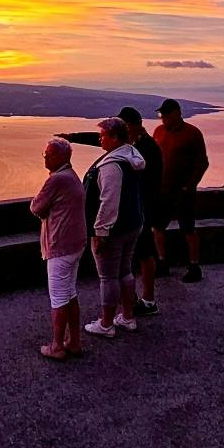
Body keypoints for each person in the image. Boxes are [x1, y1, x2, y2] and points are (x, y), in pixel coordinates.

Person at [81, 117, 145, 339]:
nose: (99, 139)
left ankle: (106, 323)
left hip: (114, 230)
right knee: (125, 271)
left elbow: (108, 200)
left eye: (103, 135)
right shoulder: (131, 156)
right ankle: (127, 317)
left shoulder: (112, 165)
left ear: (115, 137)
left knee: (108, 277)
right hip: (133, 223)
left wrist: (100, 232)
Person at [29, 137, 87, 360]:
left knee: (59, 297)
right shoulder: (71, 176)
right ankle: (74, 342)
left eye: (49, 154)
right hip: (75, 244)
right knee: (70, 293)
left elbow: (36, 207)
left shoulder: (56, 180)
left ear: (62, 156)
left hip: (60, 246)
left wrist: (43, 210)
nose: (45, 157)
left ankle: (57, 347)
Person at [152, 98, 210, 282]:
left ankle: (194, 266)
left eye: (167, 114)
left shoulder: (192, 133)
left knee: (188, 229)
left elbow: (202, 162)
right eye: (162, 114)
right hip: (162, 190)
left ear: (177, 113)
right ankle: (162, 262)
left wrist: (189, 185)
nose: (163, 118)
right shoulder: (159, 131)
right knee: (157, 227)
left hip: (183, 191)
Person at [119, 106, 167, 315]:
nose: (124, 131)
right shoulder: (135, 143)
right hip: (137, 207)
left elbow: (149, 181)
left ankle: (148, 300)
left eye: (125, 126)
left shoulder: (148, 147)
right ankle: (137, 298)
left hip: (144, 207)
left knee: (145, 253)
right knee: (136, 253)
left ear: (136, 125)